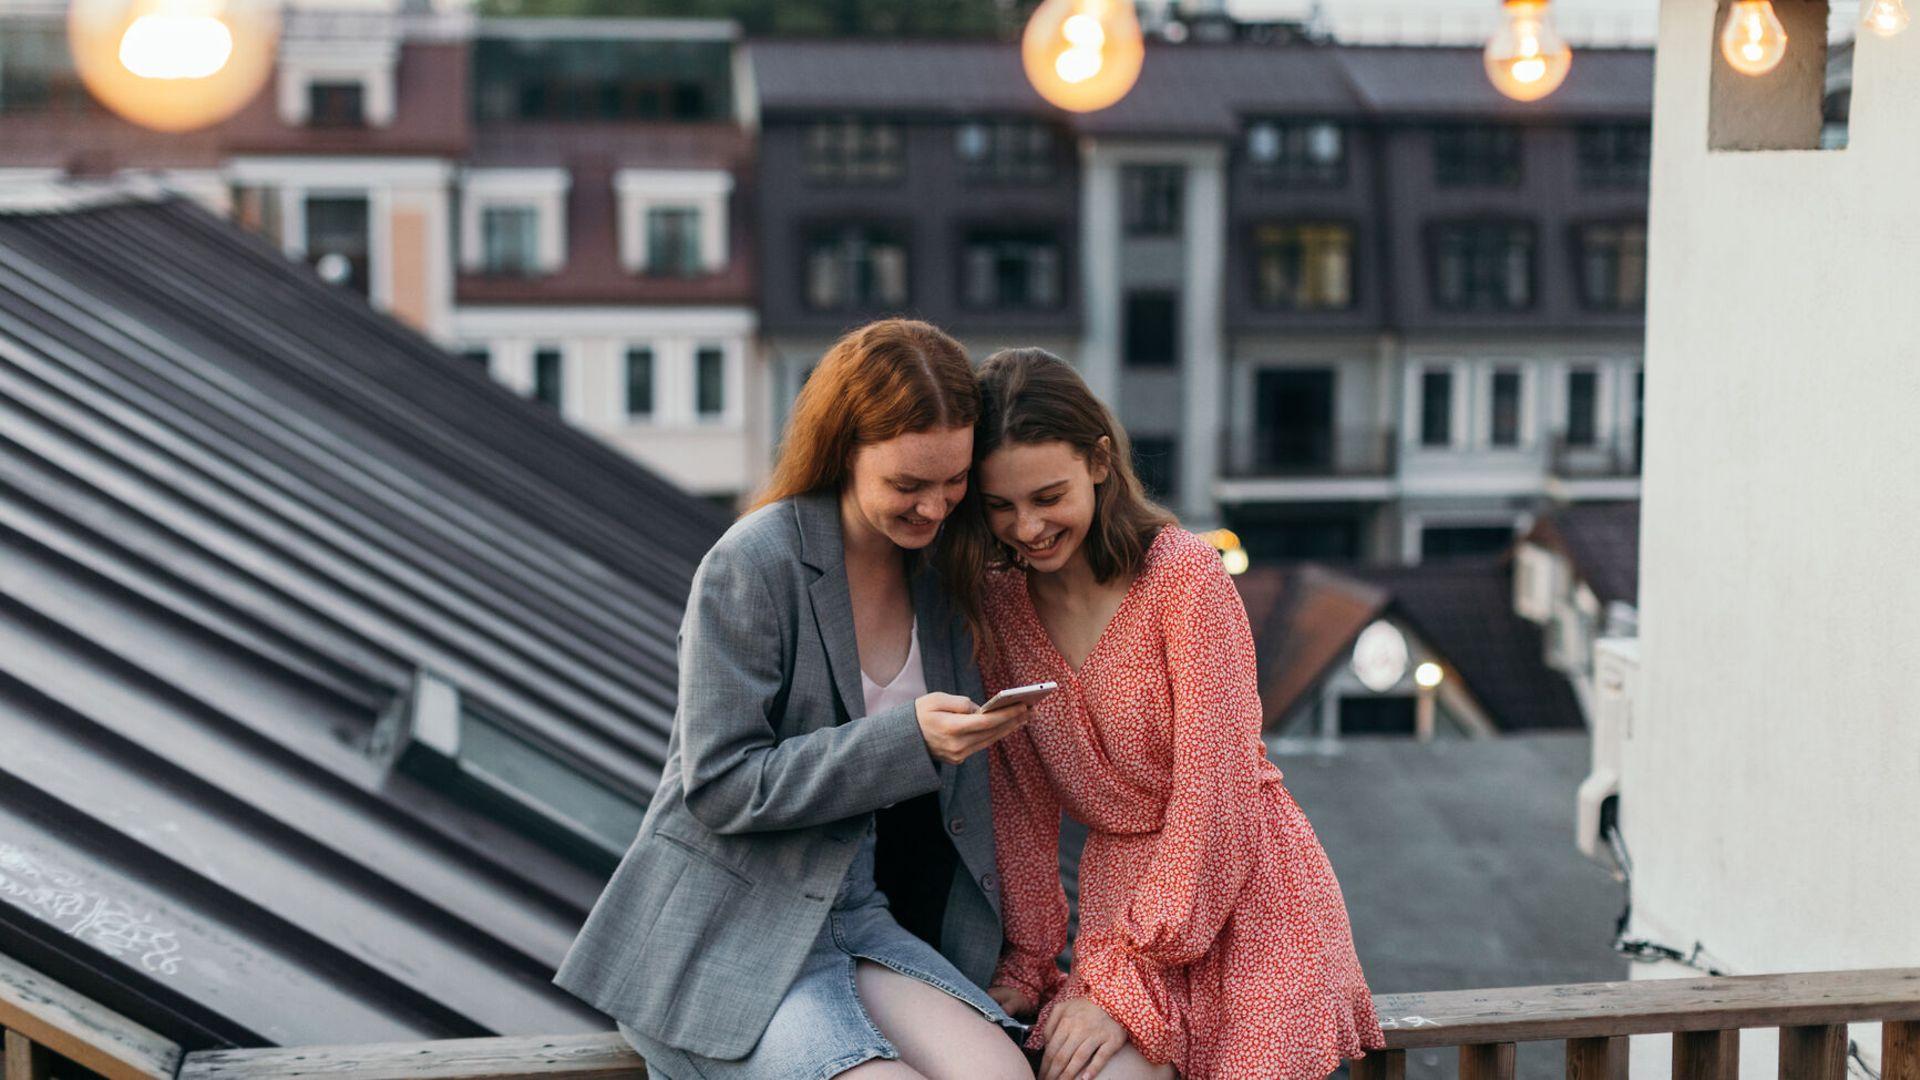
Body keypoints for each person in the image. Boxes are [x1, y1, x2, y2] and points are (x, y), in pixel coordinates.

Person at [554, 320, 1034, 1080]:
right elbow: (717, 782)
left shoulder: (943, 575)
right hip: (731, 934)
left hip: (857, 917)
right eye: (908, 485)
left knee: (1002, 1074)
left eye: (953, 481)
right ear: (845, 449)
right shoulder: (754, 564)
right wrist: (905, 741)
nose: (935, 508)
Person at [940, 348, 1386, 1080]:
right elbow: (1019, 805)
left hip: (1250, 891)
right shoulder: (998, 605)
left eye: (1048, 496)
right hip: (1123, 907)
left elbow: (1217, 792)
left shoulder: (1183, 575)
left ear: (1100, 462)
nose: (1026, 527)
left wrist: (1124, 976)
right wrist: (1029, 958)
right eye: (1000, 505)